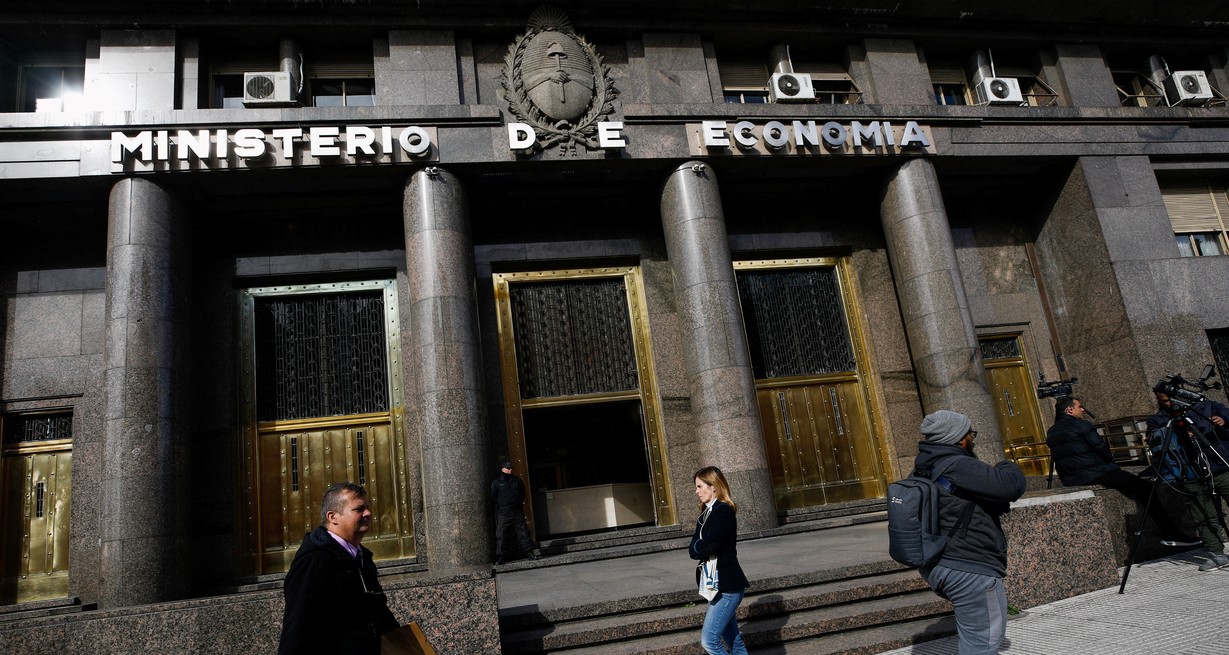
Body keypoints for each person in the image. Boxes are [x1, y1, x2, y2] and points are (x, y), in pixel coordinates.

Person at [914, 410, 1026, 655]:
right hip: (969, 567)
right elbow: (1010, 486)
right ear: (958, 438)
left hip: (940, 563)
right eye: (970, 434)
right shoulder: (958, 465)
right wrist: (1005, 463)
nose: (972, 439)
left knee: (976, 639)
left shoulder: (924, 466)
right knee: (982, 644)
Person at [1047, 397, 1199, 547]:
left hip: (1072, 478)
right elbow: (1101, 448)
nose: (1082, 410)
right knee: (1145, 488)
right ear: (1069, 410)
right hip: (1097, 472)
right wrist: (1111, 464)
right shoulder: (1082, 425)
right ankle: (1171, 533)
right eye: (1080, 407)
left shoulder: (1052, 432)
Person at [279, 482, 399, 655]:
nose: (368, 513)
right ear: (333, 517)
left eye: (367, 508)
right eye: (359, 509)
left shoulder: (362, 557)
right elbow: (297, 627)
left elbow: (377, 613)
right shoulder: (315, 561)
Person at [1147, 388, 1229, 571]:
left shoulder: (1206, 407)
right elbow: (1154, 440)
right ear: (1158, 400)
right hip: (1191, 473)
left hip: (1220, 466)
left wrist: (1223, 420)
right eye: (1164, 400)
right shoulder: (1158, 419)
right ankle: (1216, 554)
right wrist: (1174, 432)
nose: (1170, 403)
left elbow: (1227, 416)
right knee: (1204, 516)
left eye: (1171, 399)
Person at [689, 466, 750, 655]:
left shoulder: (723, 511)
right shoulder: (705, 514)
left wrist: (699, 546)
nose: (696, 491)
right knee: (734, 641)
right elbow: (693, 549)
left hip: (727, 586)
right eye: (696, 487)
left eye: (700, 486)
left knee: (709, 641)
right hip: (715, 586)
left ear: (713, 486)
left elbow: (710, 545)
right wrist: (700, 546)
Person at [490, 460, 539, 565]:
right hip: (504, 512)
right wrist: (502, 506)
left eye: (511, 468)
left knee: (523, 533)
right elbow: (493, 497)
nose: (510, 470)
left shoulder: (517, 481)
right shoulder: (497, 483)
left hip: (516, 511)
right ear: (503, 469)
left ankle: (529, 553)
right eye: (508, 468)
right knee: (501, 535)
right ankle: (501, 557)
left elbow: (522, 494)